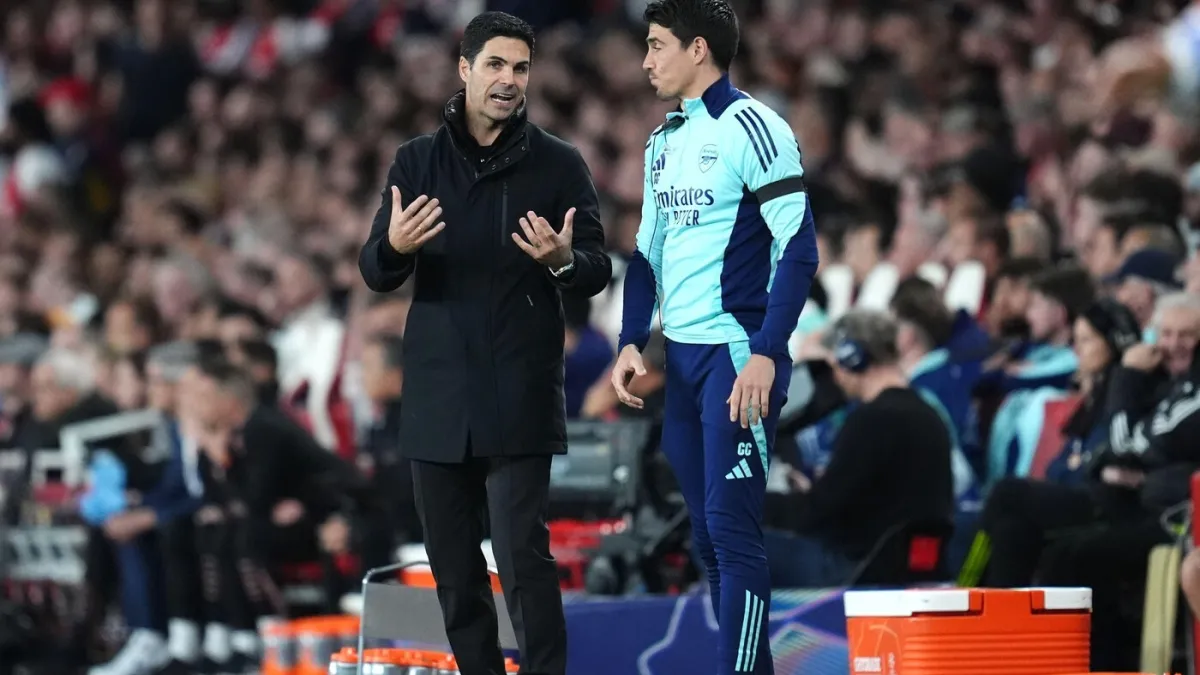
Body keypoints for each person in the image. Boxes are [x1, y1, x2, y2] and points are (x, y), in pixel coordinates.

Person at [357, 12, 611, 675]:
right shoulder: (417, 160)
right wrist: (395, 246)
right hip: (439, 391)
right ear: (465, 68)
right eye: (495, 64)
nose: (509, 79)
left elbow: (596, 268)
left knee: (523, 557)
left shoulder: (559, 163)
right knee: (452, 564)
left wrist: (562, 261)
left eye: (520, 68)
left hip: (519, 388)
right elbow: (376, 270)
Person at [610, 1, 818, 672]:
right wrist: (630, 338)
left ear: (697, 48)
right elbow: (646, 257)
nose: (646, 61)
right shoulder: (663, 141)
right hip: (682, 364)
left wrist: (766, 350)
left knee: (732, 534)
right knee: (706, 540)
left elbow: (799, 246)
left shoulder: (755, 127)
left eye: (656, 45)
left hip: (736, 355)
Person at [763, 311, 954, 588]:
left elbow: (814, 515)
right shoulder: (930, 415)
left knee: (715, 536)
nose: (835, 376)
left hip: (859, 570)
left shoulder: (872, 420)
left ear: (852, 356)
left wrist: (752, 502)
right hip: (909, 569)